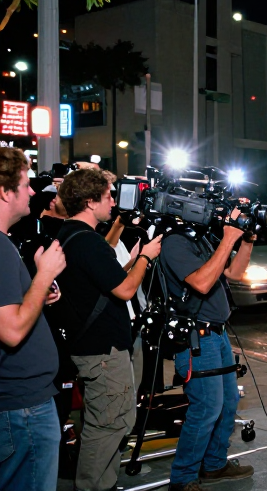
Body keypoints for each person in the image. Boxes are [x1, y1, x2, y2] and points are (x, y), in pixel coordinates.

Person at [54, 168, 163, 491]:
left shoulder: (69, 235)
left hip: (90, 346)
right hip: (102, 351)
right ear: (90, 202)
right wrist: (145, 256)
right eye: (107, 197)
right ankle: (92, 486)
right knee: (108, 425)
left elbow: (103, 280)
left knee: (106, 421)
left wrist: (129, 260)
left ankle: (104, 483)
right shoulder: (89, 243)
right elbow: (126, 290)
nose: (113, 202)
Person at [161, 209, 256, 490]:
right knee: (206, 409)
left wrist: (246, 241)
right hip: (196, 337)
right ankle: (183, 478)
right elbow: (201, 283)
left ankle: (214, 465)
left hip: (218, 333)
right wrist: (227, 239)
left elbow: (234, 273)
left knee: (227, 403)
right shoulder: (175, 242)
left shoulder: (202, 238)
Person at [0, 147, 66, 491]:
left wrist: (38, 294)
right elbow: (10, 331)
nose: (31, 192)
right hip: (22, 409)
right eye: (25, 184)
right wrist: (45, 274)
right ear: (4, 191)